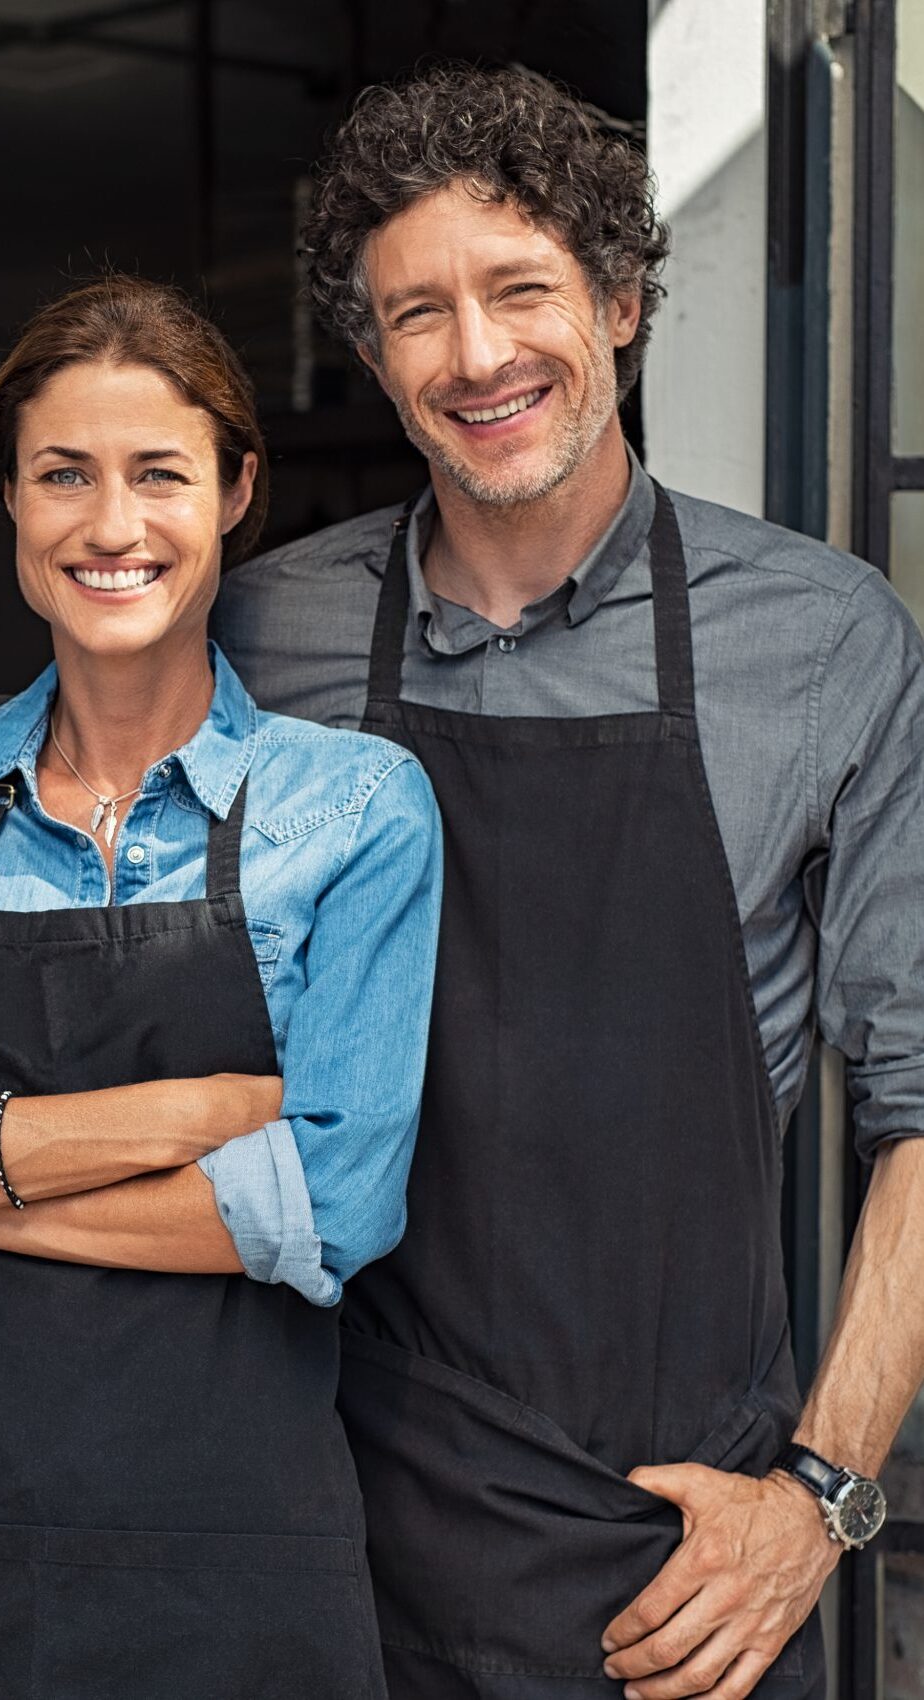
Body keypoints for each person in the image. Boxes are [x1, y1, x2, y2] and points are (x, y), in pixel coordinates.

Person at [213, 62, 924, 1700]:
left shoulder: (819, 641)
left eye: (520, 289)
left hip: (680, 1554)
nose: (476, 356)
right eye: (415, 314)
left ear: (617, 301)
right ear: (373, 353)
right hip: (326, 1502)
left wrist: (819, 1501)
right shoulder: (265, 635)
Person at [0, 276, 442, 1697]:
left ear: (237, 491)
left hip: (241, 1568)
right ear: (9, 503)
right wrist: (196, 1114)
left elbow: (338, 1205)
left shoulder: (355, 808)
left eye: (158, 474)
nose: (111, 526)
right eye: (63, 475)